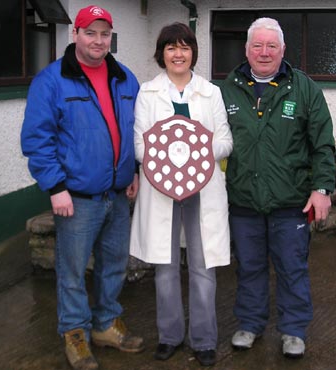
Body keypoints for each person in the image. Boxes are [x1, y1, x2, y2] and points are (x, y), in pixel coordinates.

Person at [21, 5, 144, 370]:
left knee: (114, 265)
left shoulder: (125, 78)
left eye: (104, 34)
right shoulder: (52, 81)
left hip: (118, 194)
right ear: (75, 34)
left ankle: (106, 323)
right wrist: (55, 187)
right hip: (76, 197)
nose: (98, 40)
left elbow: (135, 131)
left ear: (111, 38)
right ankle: (75, 333)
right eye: (90, 32)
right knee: (72, 271)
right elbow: (37, 139)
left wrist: (134, 170)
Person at [220, 17, 335, 358]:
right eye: (258, 45)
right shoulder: (227, 88)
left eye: (272, 46)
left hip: (291, 202)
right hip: (243, 201)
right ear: (247, 50)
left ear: (283, 50)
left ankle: (293, 330)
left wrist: (322, 189)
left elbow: (323, 144)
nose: (264, 52)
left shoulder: (304, 88)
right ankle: (250, 324)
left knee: (291, 267)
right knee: (249, 267)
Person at [129, 22, 233, 367]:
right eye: (171, 47)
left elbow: (225, 140)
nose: (178, 54)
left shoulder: (210, 92)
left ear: (193, 53)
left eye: (185, 47)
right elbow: (141, 144)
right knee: (165, 266)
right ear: (162, 54)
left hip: (202, 190)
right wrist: (168, 166)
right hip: (161, 191)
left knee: (203, 268)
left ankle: (204, 340)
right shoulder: (148, 93)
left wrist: (196, 151)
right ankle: (169, 336)